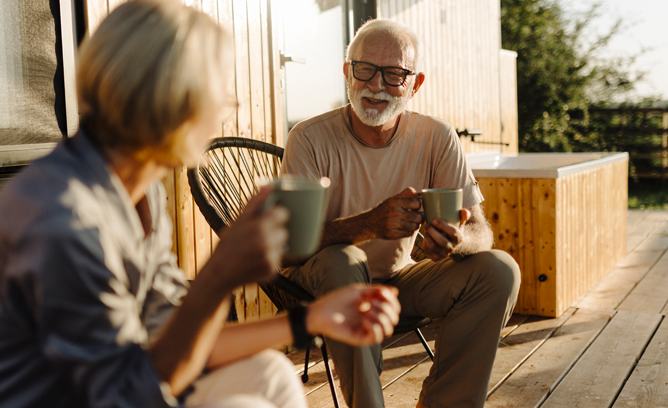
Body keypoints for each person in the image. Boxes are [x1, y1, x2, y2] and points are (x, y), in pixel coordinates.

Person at [0, 2, 401, 408]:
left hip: (124, 381)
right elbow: (125, 393)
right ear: (170, 98)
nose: (222, 114)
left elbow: (174, 336)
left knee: (271, 375)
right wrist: (218, 276)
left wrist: (310, 320)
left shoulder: (142, 191)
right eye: (219, 96)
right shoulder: (64, 221)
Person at [280, 18, 521, 408]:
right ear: (347, 73)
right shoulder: (308, 138)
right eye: (365, 69)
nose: (376, 85)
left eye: (394, 74)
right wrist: (368, 224)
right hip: (322, 286)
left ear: (415, 84)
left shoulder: (436, 136)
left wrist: (456, 240)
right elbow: (289, 250)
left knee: (498, 269)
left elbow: (480, 230)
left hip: (400, 278)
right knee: (345, 259)